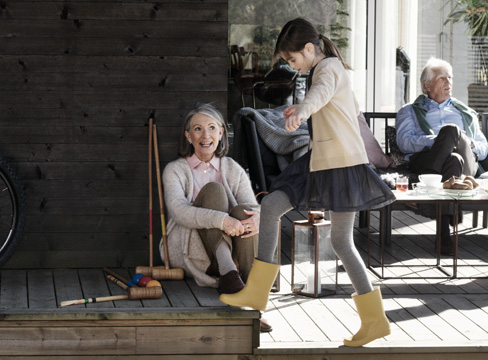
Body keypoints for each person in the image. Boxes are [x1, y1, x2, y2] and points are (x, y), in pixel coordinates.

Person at [219, 18, 396, 347]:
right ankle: (374, 319)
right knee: (326, 233)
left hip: (337, 164)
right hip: (330, 160)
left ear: (309, 49)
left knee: (277, 209)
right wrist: (302, 109)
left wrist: (303, 110)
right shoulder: (328, 69)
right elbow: (341, 106)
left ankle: (260, 293)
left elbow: (320, 95)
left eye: (292, 59)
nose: (292, 66)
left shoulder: (326, 69)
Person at [160, 103, 270, 331]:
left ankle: (250, 296)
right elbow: (179, 212)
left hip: (237, 254)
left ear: (221, 132)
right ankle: (230, 275)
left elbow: (252, 207)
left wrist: (257, 219)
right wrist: (221, 220)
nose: (205, 135)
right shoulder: (175, 170)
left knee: (244, 212)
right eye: (198, 129)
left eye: (211, 128)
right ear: (188, 136)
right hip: (192, 251)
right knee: (214, 191)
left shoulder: (232, 168)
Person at [396, 57, 488, 255]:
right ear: (427, 85)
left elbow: (483, 147)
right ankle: (444, 235)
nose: (448, 82)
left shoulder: (466, 112)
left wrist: (466, 142)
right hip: (427, 160)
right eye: (442, 78)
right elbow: (404, 143)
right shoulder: (409, 111)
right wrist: (439, 140)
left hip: (466, 167)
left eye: (450, 78)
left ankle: (429, 183)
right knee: (452, 157)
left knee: (454, 137)